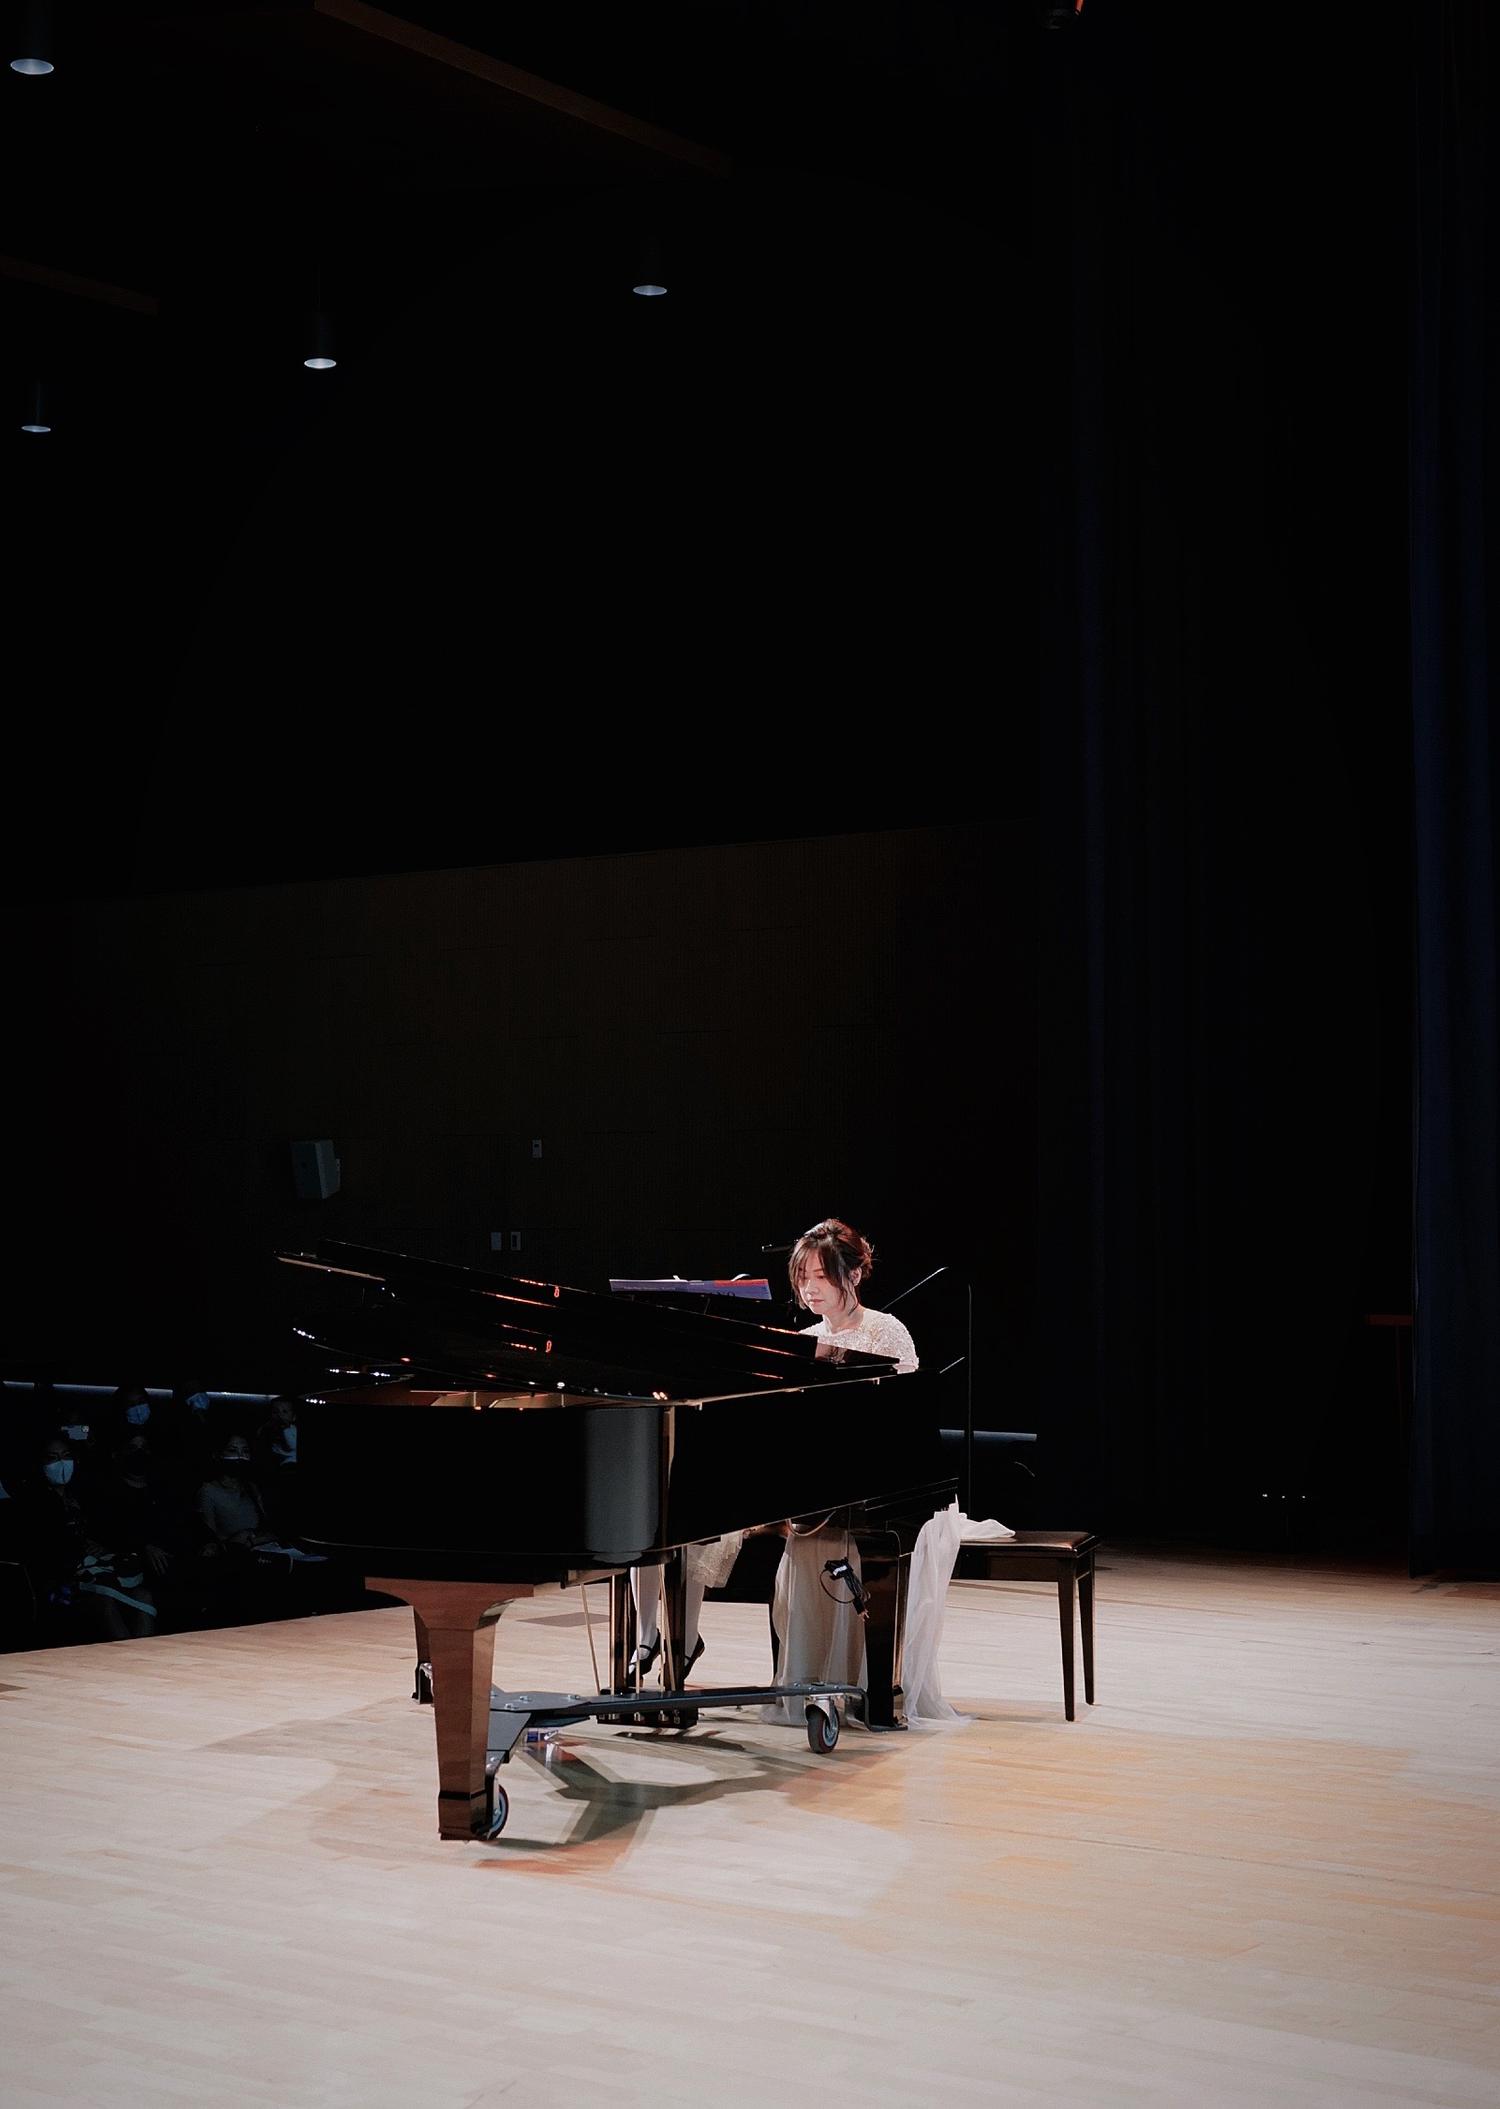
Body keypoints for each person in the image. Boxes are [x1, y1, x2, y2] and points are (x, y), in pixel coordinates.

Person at [766, 1217, 1008, 1727]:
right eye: (802, 1277)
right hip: (830, 1484)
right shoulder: (807, 1338)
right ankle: (813, 1686)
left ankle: (870, 1690)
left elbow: (902, 1427)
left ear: (853, 1273)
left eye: (821, 1276)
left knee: (850, 1538)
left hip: (892, 1484)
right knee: (804, 1538)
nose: (809, 1288)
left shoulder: (885, 1331)